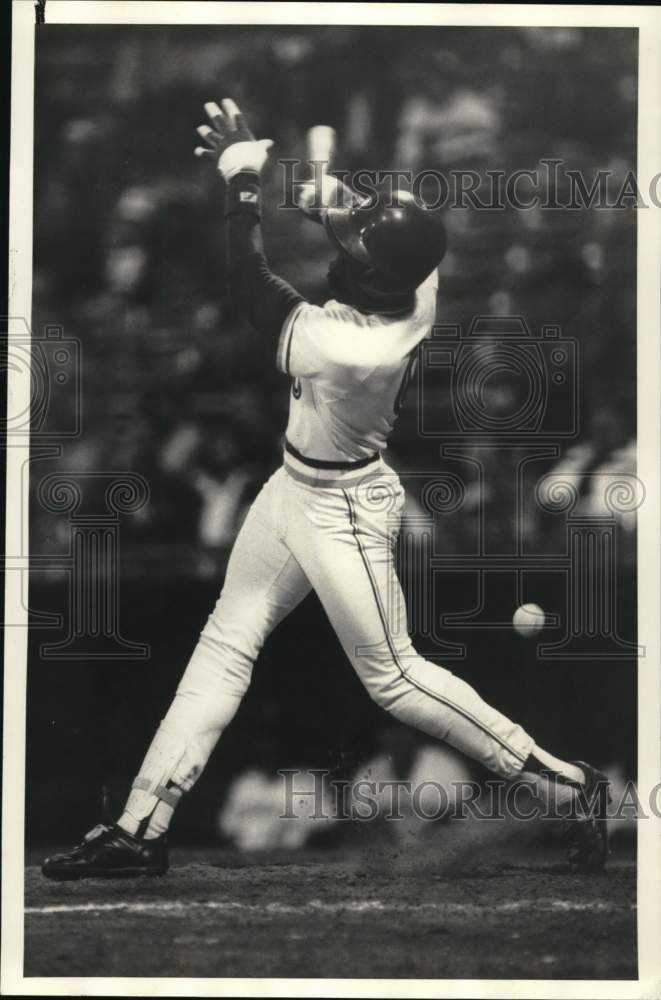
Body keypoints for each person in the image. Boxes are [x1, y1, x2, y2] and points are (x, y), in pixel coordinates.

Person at [42, 100, 609, 880]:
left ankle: (565, 788)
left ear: (374, 276)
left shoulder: (341, 346)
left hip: (344, 508)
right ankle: (141, 824)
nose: (341, 254)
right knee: (224, 642)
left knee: (394, 677)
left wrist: (245, 180)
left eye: (356, 251)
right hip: (292, 488)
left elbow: (249, 280)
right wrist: (321, 197)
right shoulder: (417, 277)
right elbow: (361, 231)